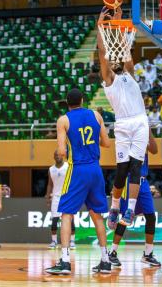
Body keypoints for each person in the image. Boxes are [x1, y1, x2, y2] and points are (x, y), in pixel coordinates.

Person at [45, 88, 111, 275]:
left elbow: (62, 152)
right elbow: (106, 143)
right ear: (82, 100)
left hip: (78, 169)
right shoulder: (96, 115)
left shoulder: (63, 120)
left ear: (67, 103)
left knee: (66, 213)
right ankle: (105, 260)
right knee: (97, 215)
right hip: (96, 170)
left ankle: (65, 261)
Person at [97, 6, 149, 228]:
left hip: (140, 121)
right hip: (123, 125)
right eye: (112, 61)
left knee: (136, 167)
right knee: (122, 169)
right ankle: (115, 206)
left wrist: (116, 25)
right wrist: (101, 26)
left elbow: (123, 50)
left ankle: (129, 209)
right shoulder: (109, 81)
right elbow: (102, 52)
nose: (115, 61)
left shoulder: (129, 72)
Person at [109, 130, 161, 268]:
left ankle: (148, 254)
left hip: (143, 182)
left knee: (151, 217)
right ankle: (112, 252)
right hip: (129, 181)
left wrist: (148, 131)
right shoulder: (126, 140)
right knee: (126, 218)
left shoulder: (142, 138)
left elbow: (155, 150)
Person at [45, 150, 75, 249]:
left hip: (67, 196)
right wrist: (47, 196)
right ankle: (54, 241)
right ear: (53, 157)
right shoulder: (51, 169)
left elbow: (73, 181)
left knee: (70, 220)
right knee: (54, 220)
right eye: (55, 155)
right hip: (56, 197)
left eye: (59, 154)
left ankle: (72, 241)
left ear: (63, 156)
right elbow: (50, 184)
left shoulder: (68, 166)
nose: (57, 156)